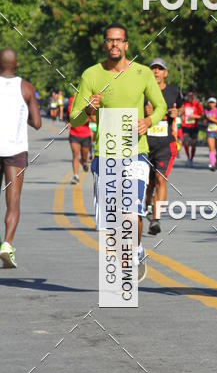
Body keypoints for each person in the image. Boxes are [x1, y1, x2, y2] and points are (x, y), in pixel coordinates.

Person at [69, 24, 167, 282]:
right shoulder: (91, 75)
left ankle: (135, 250)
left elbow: (161, 106)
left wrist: (148, 121)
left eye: (119, 41)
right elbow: (75, 120)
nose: (114, 45)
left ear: (126, 45)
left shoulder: (142, 73)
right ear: (105, 44)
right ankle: (128, 251)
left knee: (132, 210)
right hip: (105, 153)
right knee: (110, 220)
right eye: (110, 41)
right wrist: (89, 109)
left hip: (136, 152)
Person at [0, 48, 42, 268]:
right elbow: (37, 123)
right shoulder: (25, 87)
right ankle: (7, 244)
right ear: (16, 65)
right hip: (15, 150)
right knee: (13, 201)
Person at [144, 58, 183, 235]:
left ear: (166, 73)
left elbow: (180, 108)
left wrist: (177, 112)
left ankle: (156, 220)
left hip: (165, 145)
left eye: (160, 69)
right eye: (153, 69)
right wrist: (144, 113)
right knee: (148, 185)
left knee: (160, 180)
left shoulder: (174, 91)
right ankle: (148, 208)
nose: (156, 72)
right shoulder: (143, 92)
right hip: (144, 144)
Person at [67, 93, 92, 184]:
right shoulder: (71, 107)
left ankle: (84, 162)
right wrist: (68, 123)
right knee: (75, 155)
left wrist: (88, 117)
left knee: (84, 156)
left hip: (86, 135)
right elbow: (68, 118)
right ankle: (76, 176)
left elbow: (93, 118)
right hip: (74, 134)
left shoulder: (87, 105)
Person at [181, 91, 203, 166]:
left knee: (193, 144)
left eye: (191, 96)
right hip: (185, 126)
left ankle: (192, 158)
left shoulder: (197, 104)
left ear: (194, 96)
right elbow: (181, 112)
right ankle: (188, 158)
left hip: (194, 127)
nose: (190, 97)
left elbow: (202, 116)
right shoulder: (184, 104)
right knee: (186, 142)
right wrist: (181, 116)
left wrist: (195, 116)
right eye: (189, 96)